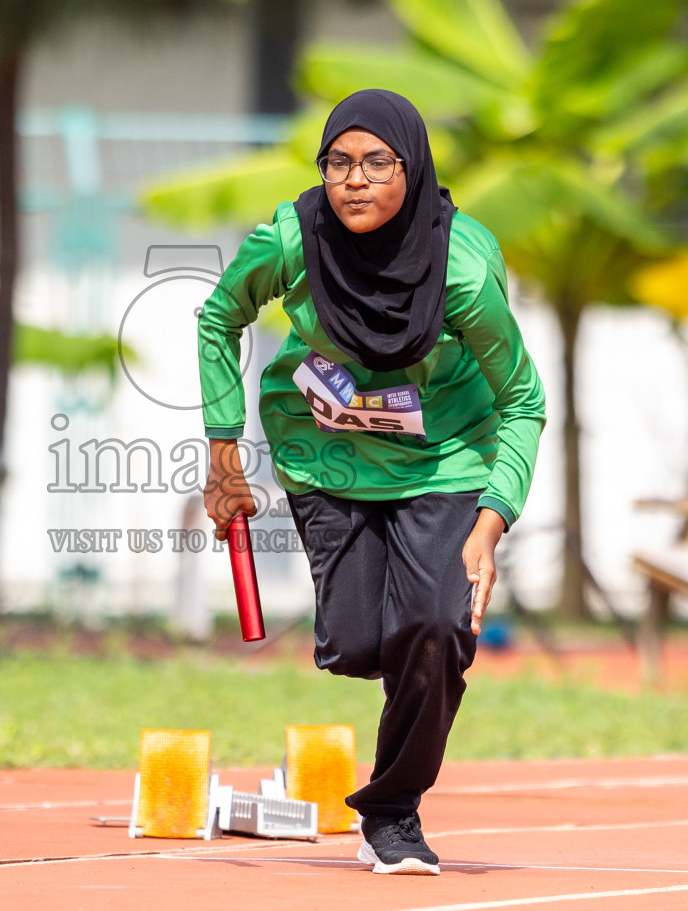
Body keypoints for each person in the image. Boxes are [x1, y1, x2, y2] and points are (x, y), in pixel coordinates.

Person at [196, 89, 546, 876]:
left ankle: (392, 812)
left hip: (445, 457)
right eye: (337, 163)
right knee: (359, 644)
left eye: (376, 163)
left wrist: (490, 526)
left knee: (434, 627)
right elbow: (219, 317)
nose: (354, 181)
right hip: (327, 456)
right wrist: (224, 453)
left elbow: (524, 398)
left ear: (412, 168)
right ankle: (417, 649)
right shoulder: (293, 240)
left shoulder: (460, 269)